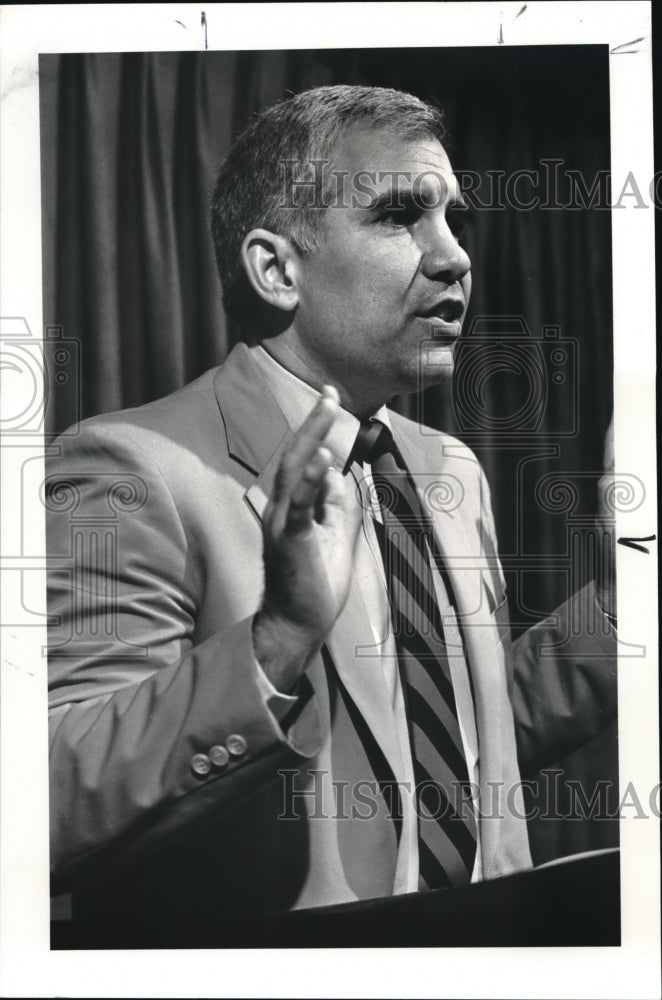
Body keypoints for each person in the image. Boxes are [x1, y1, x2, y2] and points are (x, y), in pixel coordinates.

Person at [46, 85, 617, 923]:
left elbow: (455, 744)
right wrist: (276, 639)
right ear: (276, 269)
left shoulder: (447, 468)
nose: (455, 255)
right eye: (399, 217)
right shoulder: (123, 470)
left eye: (453, 220)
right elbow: (49, 799)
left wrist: (624, 605)